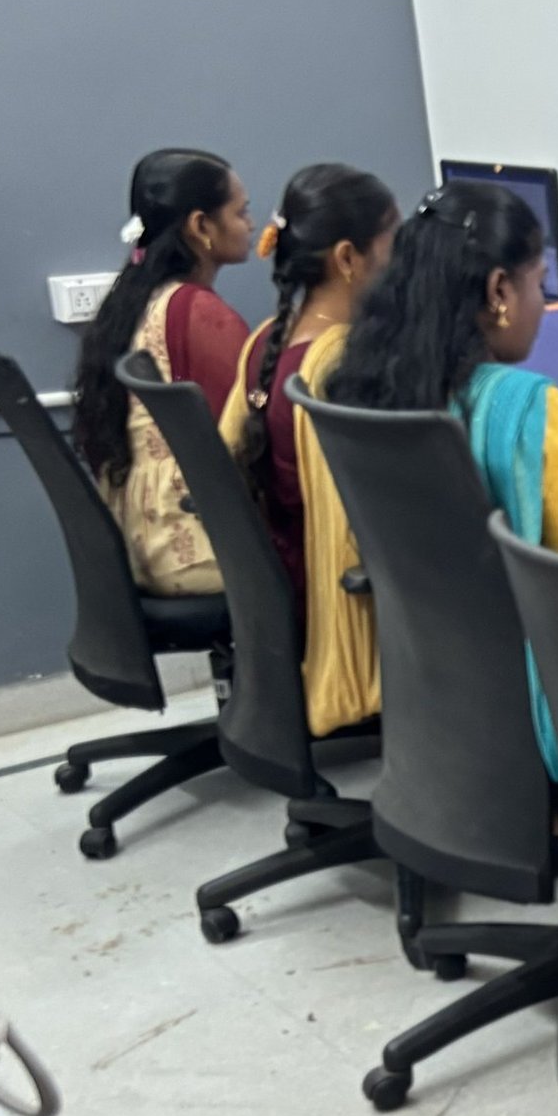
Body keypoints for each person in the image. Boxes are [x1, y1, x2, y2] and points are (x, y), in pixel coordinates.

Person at [328, 179, 558, 772]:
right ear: (499, 290)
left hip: (438, 690)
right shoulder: (528, 406)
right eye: (540, 284)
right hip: (543, 694)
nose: (543, 305)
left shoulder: (373, 383)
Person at [235, 166, 398, 731]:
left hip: (284, 574)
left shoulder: (268, 340)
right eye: (392, 245)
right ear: (348, 258)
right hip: (332, 595)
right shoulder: (338, 365)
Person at [69, 148, 255, 594]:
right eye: (241, 212)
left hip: (143, 540)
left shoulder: (134, 299)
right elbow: (247, 437)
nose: (251, 225)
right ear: (201, 226)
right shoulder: (200, 314)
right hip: (196, 550)